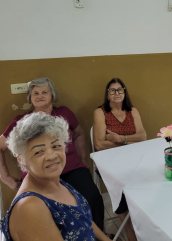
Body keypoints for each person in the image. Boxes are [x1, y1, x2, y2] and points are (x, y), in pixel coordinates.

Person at [0, 77, 104, 231]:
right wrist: (5, 177)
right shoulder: (21, 121)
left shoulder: (64, 113)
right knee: (47, 214)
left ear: (52, 95)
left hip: (72, 169)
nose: (40, 95)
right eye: (35, 93)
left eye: (44, 92)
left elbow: (79, 134)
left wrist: (83, 160)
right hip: (38, 176)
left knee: (92, 198)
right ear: (30, 97)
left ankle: (97, 233)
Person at [0, 113, 111, 241]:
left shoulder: (56, 181)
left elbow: (83, 219)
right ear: (22, 159)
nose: (52, 156)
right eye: (39, 152)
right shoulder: (30, 208)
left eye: (56, 146)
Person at [93, 78, 146, 241]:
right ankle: (129, 227)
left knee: (149, 176)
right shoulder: (100, 112)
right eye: (112, 90)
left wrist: (119, 138)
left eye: (120, 89)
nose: (116, 93)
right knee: (121, 185)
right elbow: (99, 144)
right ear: (107, 95)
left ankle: (143, 218)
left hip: (134, 158)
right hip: (109, 162)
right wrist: (129, 141)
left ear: (124, 92)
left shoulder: (132, 111)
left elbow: (143, 136)